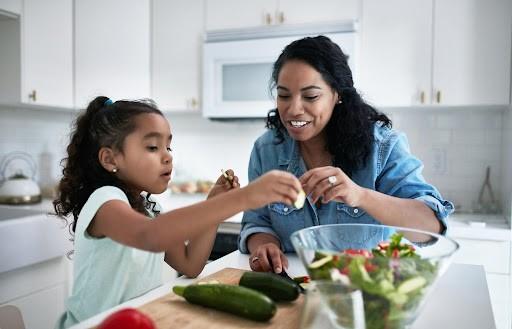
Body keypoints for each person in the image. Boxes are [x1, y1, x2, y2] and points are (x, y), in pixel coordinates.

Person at [53, 96, 303, 328]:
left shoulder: (151, 210)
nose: (167, 158)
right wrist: (245, 197)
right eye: (152, 147)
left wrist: (214, 203)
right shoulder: (106, 200)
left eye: (168, 148)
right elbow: (149, 236)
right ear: (110, 159)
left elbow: (190, 264)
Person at [238, 36, 454, 274]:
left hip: (367, 292)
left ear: (337, 94)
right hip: (293, 290)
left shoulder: (383, 146)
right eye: (284, 95)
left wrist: (360, 195)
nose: (293, 109)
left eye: (310, 96)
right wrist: (266, 244)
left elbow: (431, 227)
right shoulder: (266, 150)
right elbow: (257, 222)